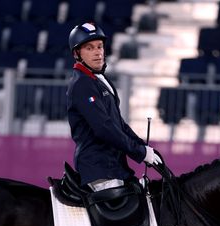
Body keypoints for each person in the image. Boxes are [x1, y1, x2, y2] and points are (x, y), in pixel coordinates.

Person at [66, 22, 162, 192]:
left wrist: (143, 148)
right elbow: (104, 128)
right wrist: (139, 153)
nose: (97, 52)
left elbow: (119, 124)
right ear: (76, 53)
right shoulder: (82, 84)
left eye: (100, 46)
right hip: (99, 170)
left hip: (115, 167)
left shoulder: (101, 81)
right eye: (89, 48)